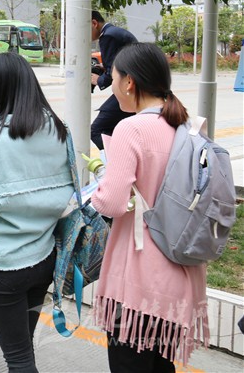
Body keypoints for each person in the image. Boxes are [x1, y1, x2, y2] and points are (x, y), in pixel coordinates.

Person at [0, 52, 74, 372]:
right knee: (23, 348)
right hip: (44, 257)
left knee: (18, 359)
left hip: (2, 266)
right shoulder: (58, 130)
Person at [91, 43, 208, 371]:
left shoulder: (131, 128)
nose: (112, 86)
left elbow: (111, 203)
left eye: (114, 78)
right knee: (161, 366)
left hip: (137, 283)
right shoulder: (191, 127)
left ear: (129, 82)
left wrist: (99, 182)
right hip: (181, 276)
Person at [90, 10, 137, 150]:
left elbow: (112, 71)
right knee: (116, 130)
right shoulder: (114, 32)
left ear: (94, 23)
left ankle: (117, 158)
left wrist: (98, 80)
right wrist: (104, 67)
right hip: (134, 86)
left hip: (131, 89)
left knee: (96, 130)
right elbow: (117, 63)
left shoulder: (108, 36)